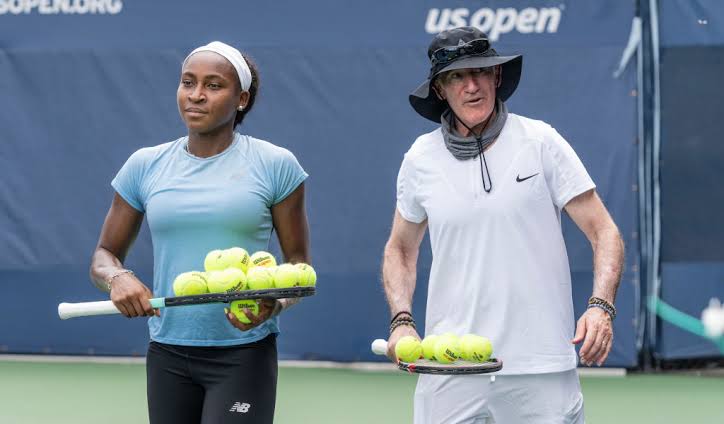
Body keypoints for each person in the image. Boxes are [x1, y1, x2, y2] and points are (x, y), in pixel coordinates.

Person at [382, 27, 624, 423]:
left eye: (480, 71)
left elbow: (604, 231)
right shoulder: (419, 159)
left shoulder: (541, 141)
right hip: (449, 364)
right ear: (440, 90)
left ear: (497, 77)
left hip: (541, 366)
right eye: (456, 77)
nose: (471, 85)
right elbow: (400, 248)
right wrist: (402, 321)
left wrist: (600, 307)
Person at [89, 41, 310, 423]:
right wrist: (118, 279)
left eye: (213, 85)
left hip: (245, 353)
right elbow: (103, 255)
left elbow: (299, 269)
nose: (196, 95)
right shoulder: (144, 166)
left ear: (241, 99)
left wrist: (273, 303)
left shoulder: (277, 165)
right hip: (167, 352)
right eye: (187, 82)